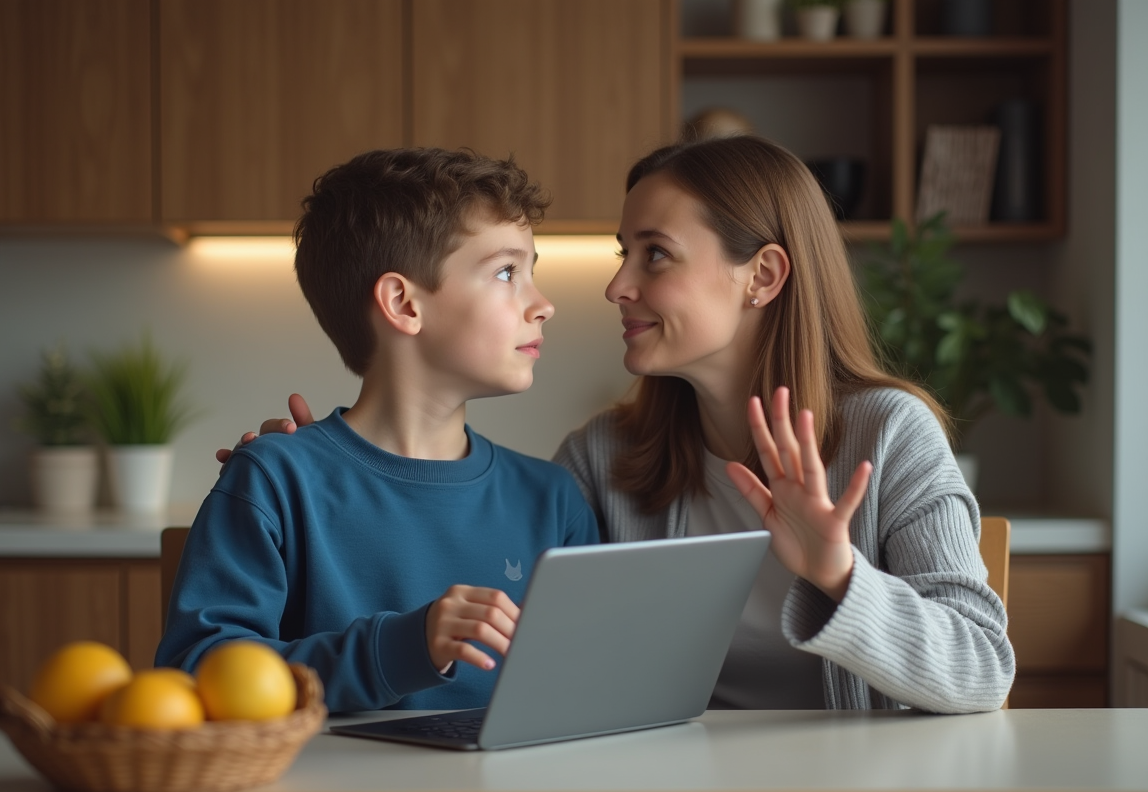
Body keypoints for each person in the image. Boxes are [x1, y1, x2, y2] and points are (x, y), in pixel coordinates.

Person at [223, 135, 1015, 714]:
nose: (615, 287)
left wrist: (839, 575)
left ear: (762, 276)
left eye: (655, 255)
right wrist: (320, 466)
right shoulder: (602, 462)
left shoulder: (890, 437)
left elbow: (984, 671)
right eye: (621, 252)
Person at [159, 148, 599, 713]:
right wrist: (401, 648)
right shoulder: (275, 479)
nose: (543, 305)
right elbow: (197, 671)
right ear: (402, 303)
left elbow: (586, 690)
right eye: (508, 272)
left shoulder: (554, 500)